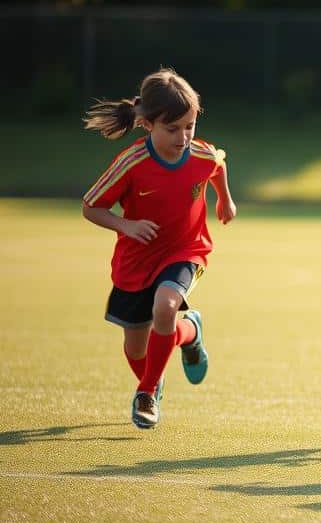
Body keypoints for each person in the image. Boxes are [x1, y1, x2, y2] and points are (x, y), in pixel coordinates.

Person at [81, 68, 236, 429]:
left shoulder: (200, 154)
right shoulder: (131, 163)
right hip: (136, 261)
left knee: (165, 307)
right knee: (137, 348)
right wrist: (127, 225)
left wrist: (224, 202)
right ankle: (191, 333)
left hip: (186, 250)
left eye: (189, 126)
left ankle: (147, 392)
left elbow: (217, 165)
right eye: (173, 129)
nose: (184, 137)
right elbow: (91, 206)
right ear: (148, 124)